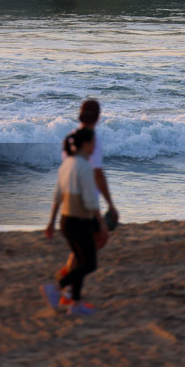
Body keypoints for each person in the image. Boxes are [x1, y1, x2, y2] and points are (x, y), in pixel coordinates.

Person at [42, 127, 107, 315]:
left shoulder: (67, 164)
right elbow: (90, 200)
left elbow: (57, 196)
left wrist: (51, 222)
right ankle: (56, 288)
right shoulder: (84, 166)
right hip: (80, 221)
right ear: (86, 144)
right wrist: (100, 221)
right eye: (93, 143)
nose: (95, 147)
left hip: (65, 221)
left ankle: (75, 304)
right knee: (89, 264)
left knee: (79, 261)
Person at [57, 100, 116, 285]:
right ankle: (63, 283)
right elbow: (97, 173)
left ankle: (69, 290)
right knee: (95, 244)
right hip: (85, 204)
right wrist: (110, 204)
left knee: (84, 248)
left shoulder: (70, 137)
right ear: (98, 117)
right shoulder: (92, 140)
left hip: (70, 200)